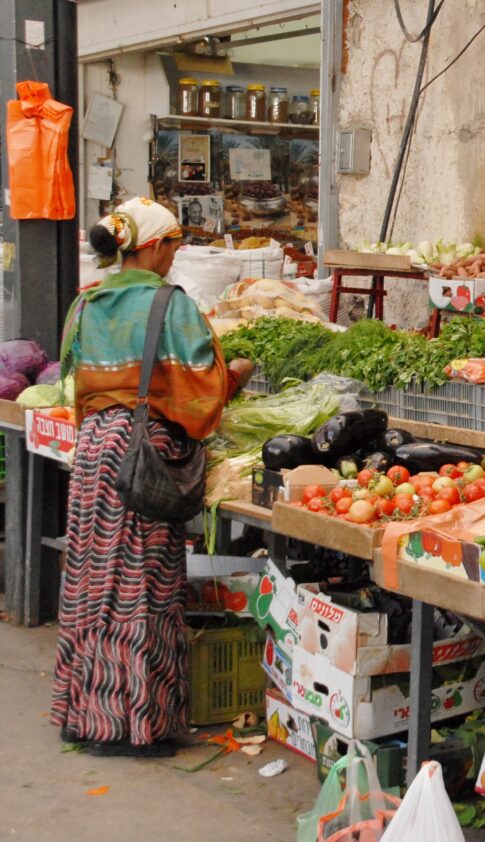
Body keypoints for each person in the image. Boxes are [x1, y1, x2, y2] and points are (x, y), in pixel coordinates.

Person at [51, 197, 253, 758]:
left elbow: (74, 377)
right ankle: (137, 725)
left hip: (92, 449)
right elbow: (201, 395)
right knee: (143, 585)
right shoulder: (170, 303)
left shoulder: (86, 302)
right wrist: (236, 372)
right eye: (172, 245)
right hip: (144, 453)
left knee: (93, 579)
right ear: (155, 247)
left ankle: (86, 713)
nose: (175, 255)